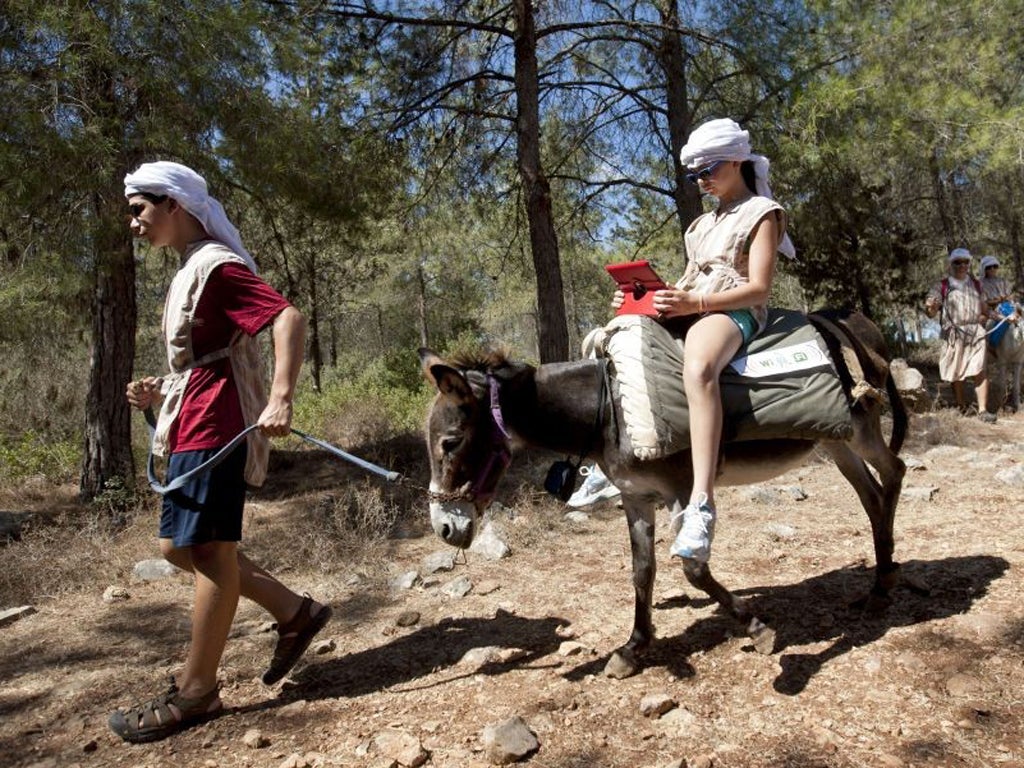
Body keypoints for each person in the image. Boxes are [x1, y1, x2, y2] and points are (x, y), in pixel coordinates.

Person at [109, 161, 332, 743]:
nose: (134, 222)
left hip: (219, 422)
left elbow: (286, 317)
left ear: (174, 205)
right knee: (178, 548)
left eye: (140, 208)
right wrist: (161, 389)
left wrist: (281, 397)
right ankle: (294, 612)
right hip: (191, 417)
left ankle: (197, 691)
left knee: (206, 549)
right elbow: (206, 352)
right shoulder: (189, 269)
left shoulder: (216, 266)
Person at [613, 118, 793, 563]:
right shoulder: (698, 227)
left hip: (734, 310)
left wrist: (695, 304)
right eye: (695, 175)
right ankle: (617, 458)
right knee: (613, 339)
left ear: (736, 159)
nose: (702, 180)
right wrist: (644, 294)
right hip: (695, 302)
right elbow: (688, 282)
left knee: (698, 366)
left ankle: (701, 503)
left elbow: (759, 289)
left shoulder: (763, 213)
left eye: (709, 169)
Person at [924, 247, 995, 422]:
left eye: (965, 262)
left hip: (976, 333)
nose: (962, 265)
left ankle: (983, 411)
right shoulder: (942, 285)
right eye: (958, 262)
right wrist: (931, 307)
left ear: (969, 264)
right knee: (957, 371)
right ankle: (961, 405)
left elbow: (985, 310)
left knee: (980, 369)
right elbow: (931, 312)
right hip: (954, 334)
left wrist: (984, 317)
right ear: (951, 264)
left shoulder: (977, 285)